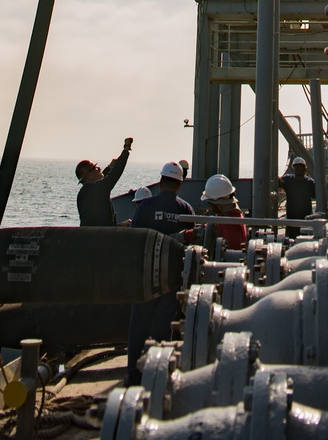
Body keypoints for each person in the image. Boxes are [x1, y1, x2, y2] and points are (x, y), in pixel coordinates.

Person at [126, 162, 194, 384]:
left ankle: (134, 374)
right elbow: (192, 242)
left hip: (144, 275)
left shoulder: (146, 207)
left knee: (139, 325)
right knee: (164, 326)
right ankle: (159, 373)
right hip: (171, 276)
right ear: (179, 186)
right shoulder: (185, 209)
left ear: (161, 181)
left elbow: (134, 238)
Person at [75, 136, 133, 227]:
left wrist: (110, 166)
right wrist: (126, 150)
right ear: (89, 176)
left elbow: (102, 180)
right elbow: (114, 175)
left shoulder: (83, 194)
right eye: (95, 168)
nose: (99, 169)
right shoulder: (98, 190)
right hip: (100, 239)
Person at [200, 173, 247, 252]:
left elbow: (232, 253)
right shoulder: (231, 216)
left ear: (217, 203)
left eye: (210, 203)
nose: (211, 207)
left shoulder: (230, 224)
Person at [279, 157, 315, 227]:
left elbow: (316, 195)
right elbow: (277, 182)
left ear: (304, 168)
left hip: (305, 219)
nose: (297, 168)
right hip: (291, 219)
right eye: (295, 167)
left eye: (299, 167)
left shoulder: (310, 182)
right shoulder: (288, 180)